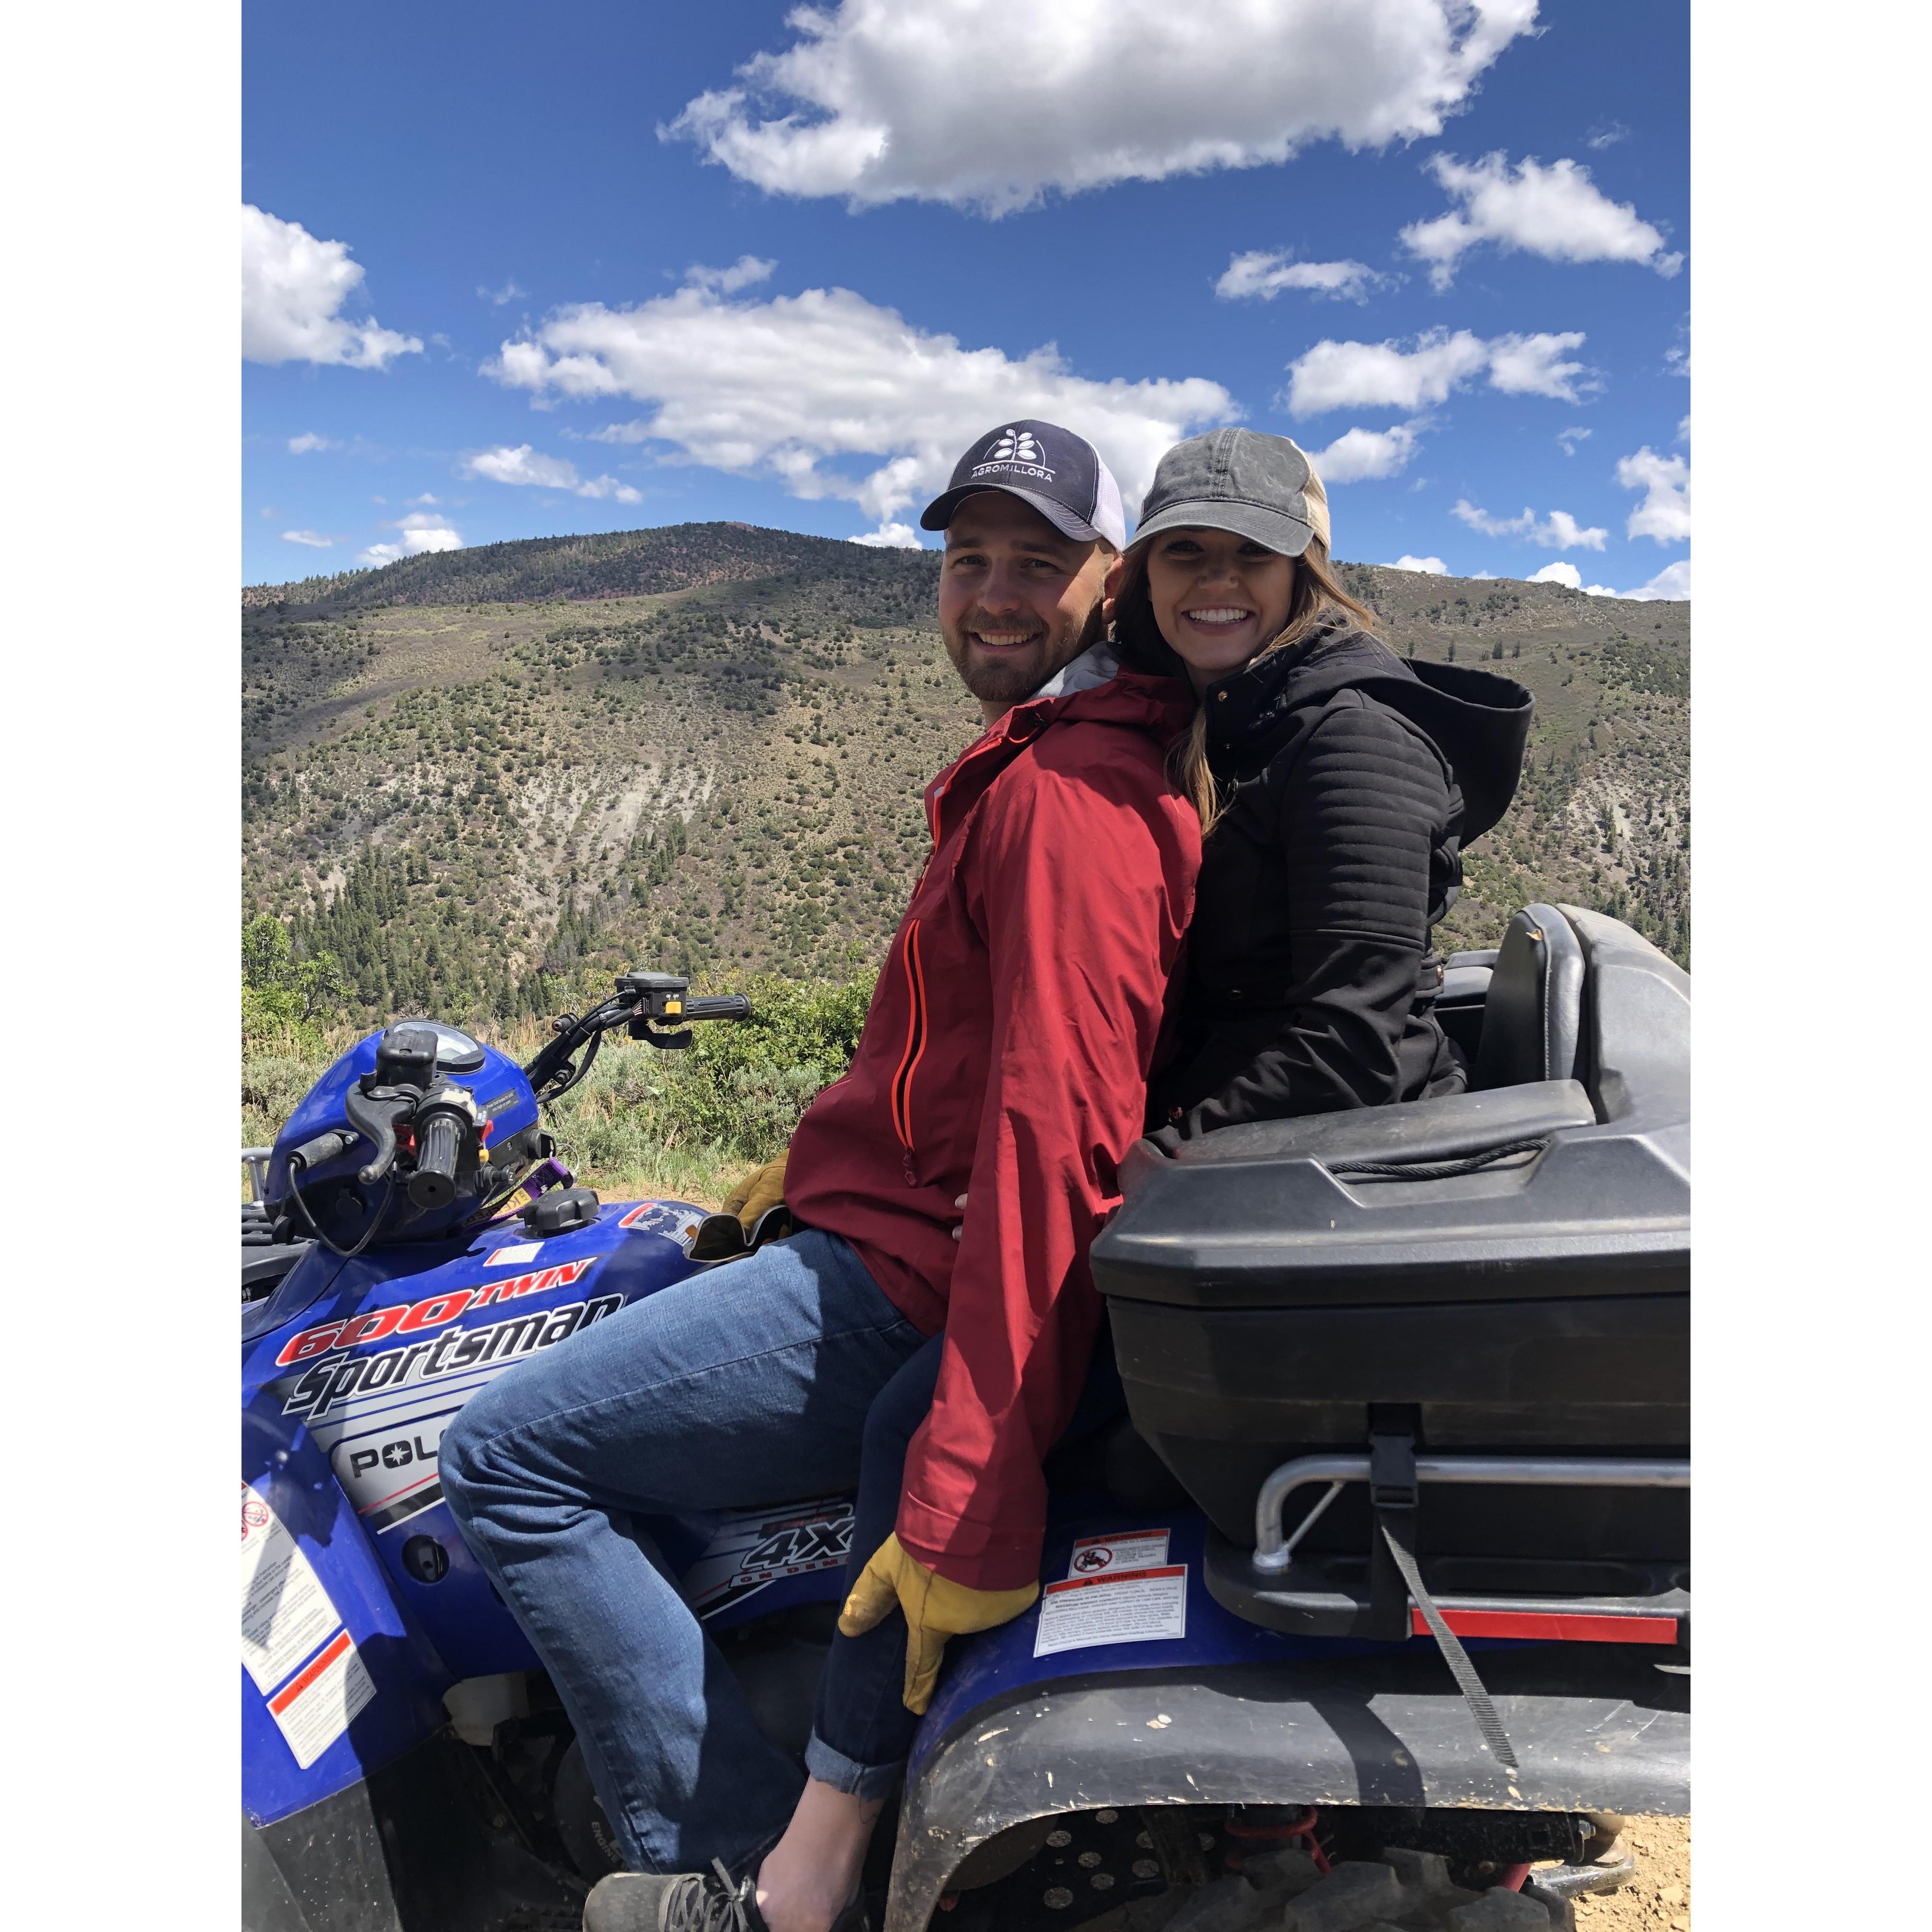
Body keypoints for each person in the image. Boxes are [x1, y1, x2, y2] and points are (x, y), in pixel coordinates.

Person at [438, 419, 1200, 1932]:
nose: (990, 591)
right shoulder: (1058, 757)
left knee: (507, 1460)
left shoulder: (1066, 801)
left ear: (1112, 579)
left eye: (1037, 563)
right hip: (889, 1227)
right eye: (966, 557)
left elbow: (1060, 1132)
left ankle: (732, 1876)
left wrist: (974, 1461)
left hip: (900, 1282)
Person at [1107, 427, 1532, 1137]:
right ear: (1147, 569)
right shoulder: (1204, 718)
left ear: (1303, 569)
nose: (1218, 578)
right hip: (1226, 1118)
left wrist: (1131, 1174)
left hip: (1332, 1163)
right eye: (1186, 549)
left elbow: (1348, 1051)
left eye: (1254, 550)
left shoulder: (1356, 742)